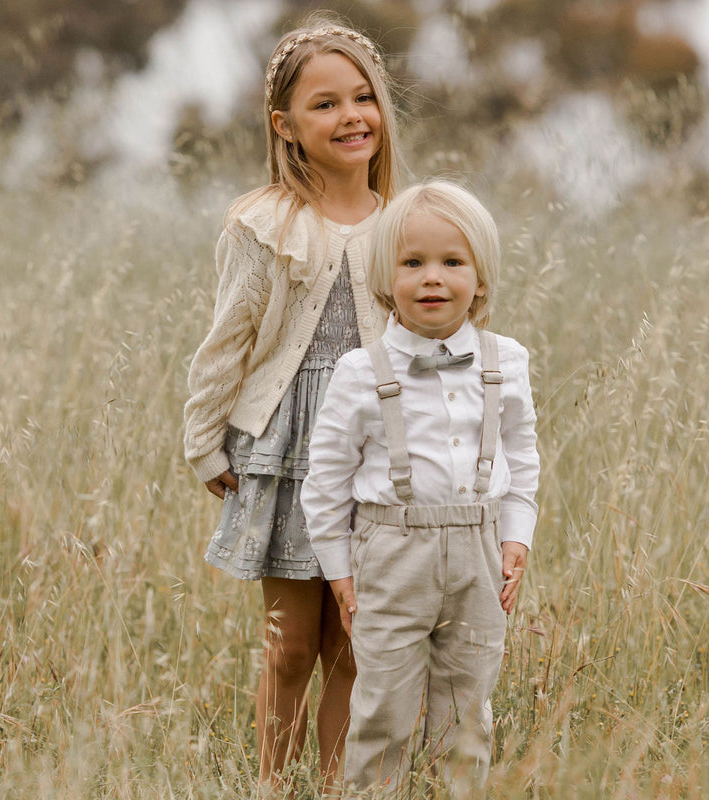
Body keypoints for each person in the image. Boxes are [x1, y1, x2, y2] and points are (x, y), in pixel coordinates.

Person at [182, 17, 402, 789]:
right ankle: (272, 783)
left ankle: (339, 781)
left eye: (363, 98)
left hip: (377, 445)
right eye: (325, 105)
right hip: (286, 441)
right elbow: (228, 341)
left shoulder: (405, 224)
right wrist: (203, 439)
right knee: (289, 641)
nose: (351, 117)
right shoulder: (264, 224)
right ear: (286, 126)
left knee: (355, 636)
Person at [302, 180, 540, 796]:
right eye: (413, 263)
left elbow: (521, 456)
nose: (432, 278)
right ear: (387, 279)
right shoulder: (361, 371)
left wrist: (518, 537)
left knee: (467, 710)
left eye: (451, 262)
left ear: (480, 278)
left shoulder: (506, 360)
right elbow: (326, 478)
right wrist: (339, 568)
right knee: (381, 704)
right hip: (391, 550)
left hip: (481, 549)